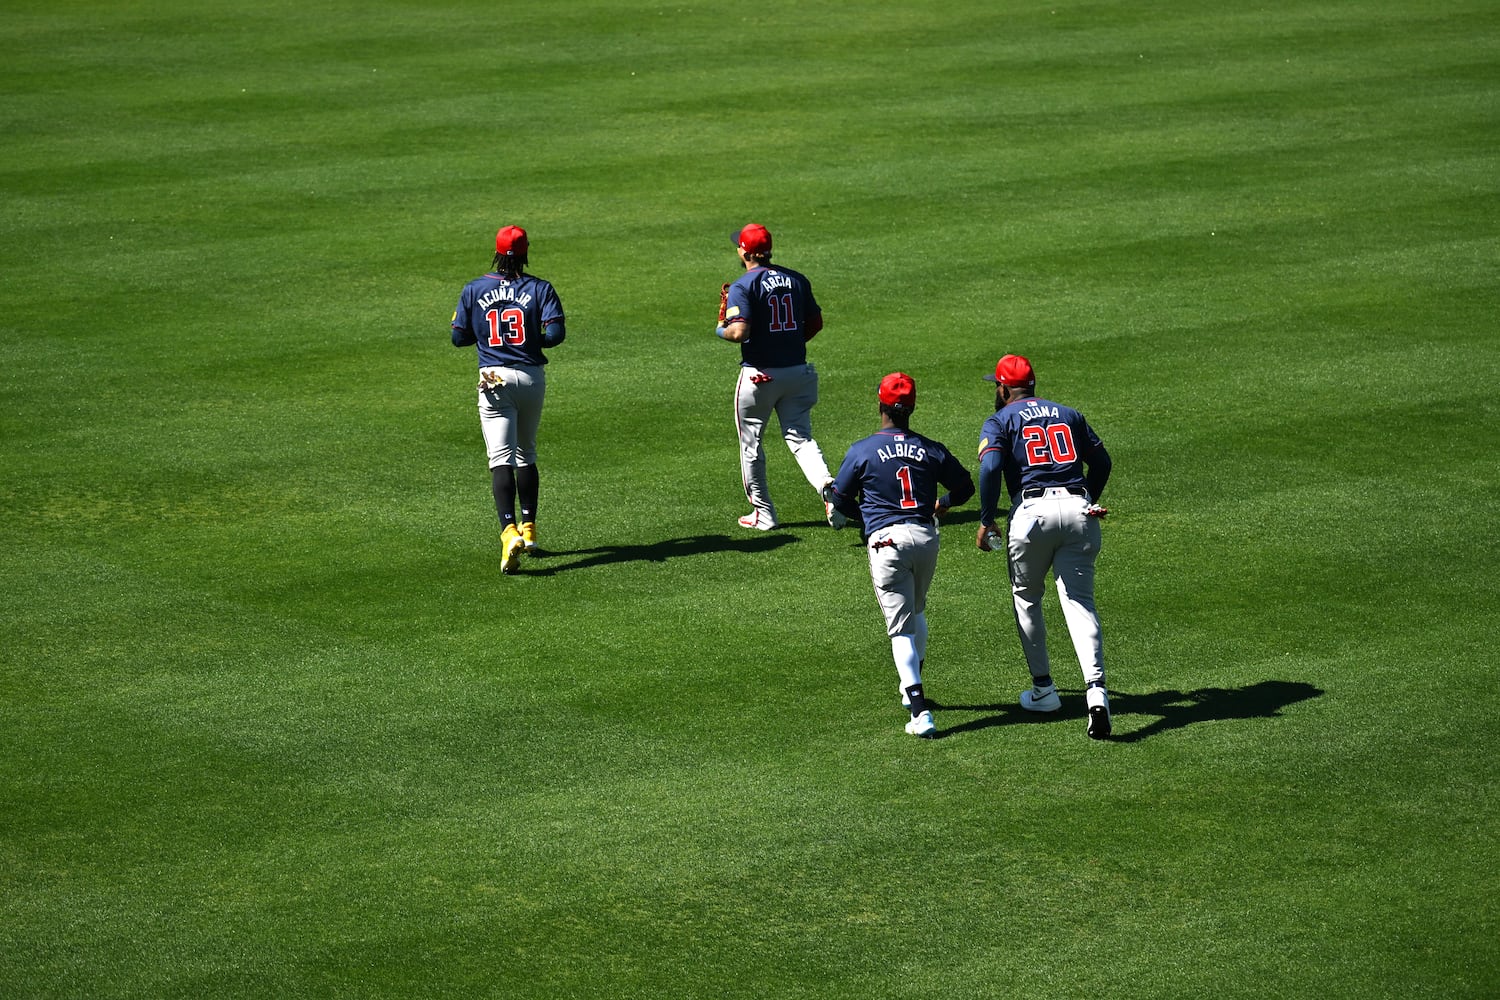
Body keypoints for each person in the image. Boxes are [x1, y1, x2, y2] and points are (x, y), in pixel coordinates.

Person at [824, 373, 975, 739]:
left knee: (899, 629)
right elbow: (966, 486)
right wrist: (943, 503)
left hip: (887, 542)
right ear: (912, 408)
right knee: (916, 611)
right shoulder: (930, 448)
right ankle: (913, 686)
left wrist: (854, 512)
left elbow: (839, 503)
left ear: (879, 405)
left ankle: (920, 709)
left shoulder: (861, 451)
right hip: (925, 537)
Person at [975, 354, 1114, 738]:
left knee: (1027, 598)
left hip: (1031, 513)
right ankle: (1097, 693)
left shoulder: (1000, 420)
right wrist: (1086, 500)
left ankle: (1044, 690)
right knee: (1080, 602)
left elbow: (989, 468)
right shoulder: (1069, 413)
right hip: (1078, 509)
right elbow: (1102, 462)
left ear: (1004, 389)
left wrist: (986, 519)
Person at [450, 225, 567, 575]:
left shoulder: (474, 289)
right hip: (531, 377)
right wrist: (531, 342)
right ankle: (529, 530)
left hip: (493, 377)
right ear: (526, 250)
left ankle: (508, 531)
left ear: (497, 252)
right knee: (525, 453)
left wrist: (486, 337)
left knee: (500, 458)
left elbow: (458, 338)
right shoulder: (540, 288)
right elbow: (556, 335)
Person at [714, 223, 833, 530]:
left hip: (759, 378)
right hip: (798, 372)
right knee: (801, 438)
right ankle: (829, 490)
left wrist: (720, 330)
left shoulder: (744, 285)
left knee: (751, 444)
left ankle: (763, 513)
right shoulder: (796, 279)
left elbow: (738, 331)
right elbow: (815, 323)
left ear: (744, 251)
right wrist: (788, 345)